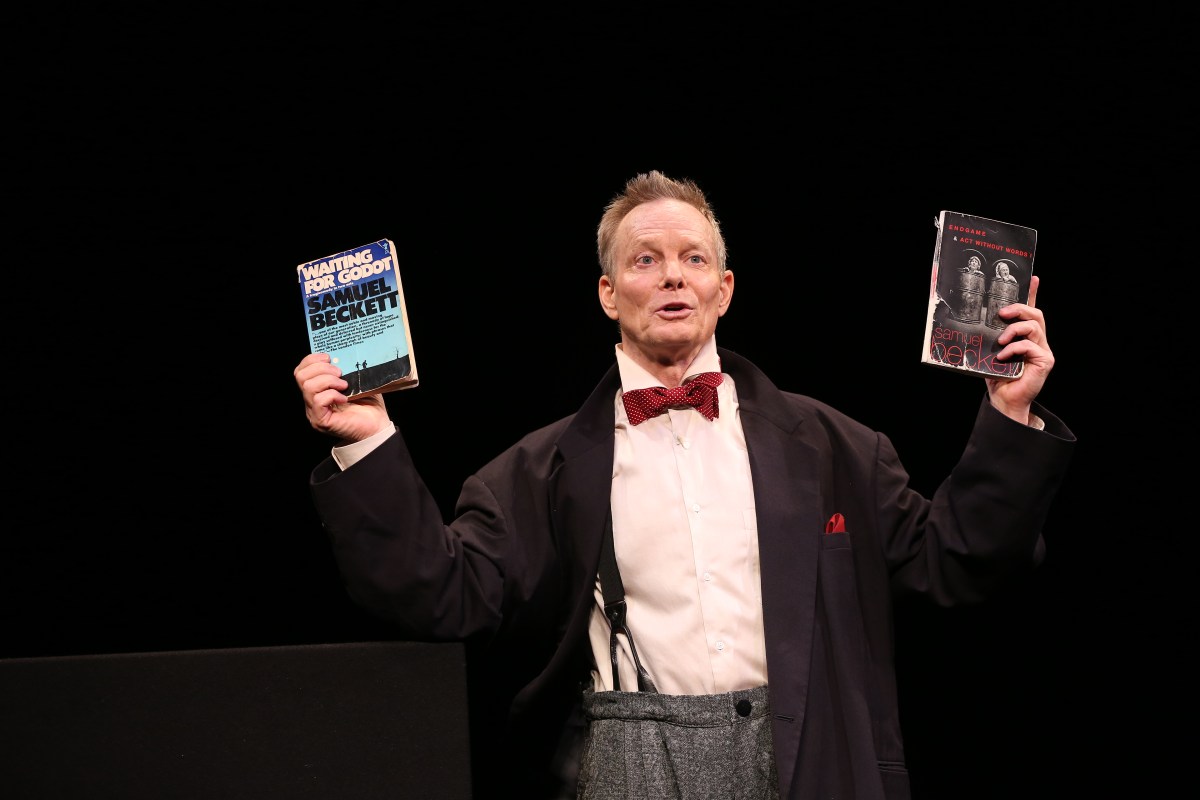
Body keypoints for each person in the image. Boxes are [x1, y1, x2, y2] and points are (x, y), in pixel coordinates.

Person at [294, 170, 1075, 799]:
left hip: (808, 755)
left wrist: (1008, 415)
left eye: (694, 258)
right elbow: (440, 593)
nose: (673, 276)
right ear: (608, 295)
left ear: (724, 288)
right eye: (645, 259)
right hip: (625, 760)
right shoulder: (533, 471)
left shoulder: (839, 449)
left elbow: (956, 560)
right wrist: (369, 442)